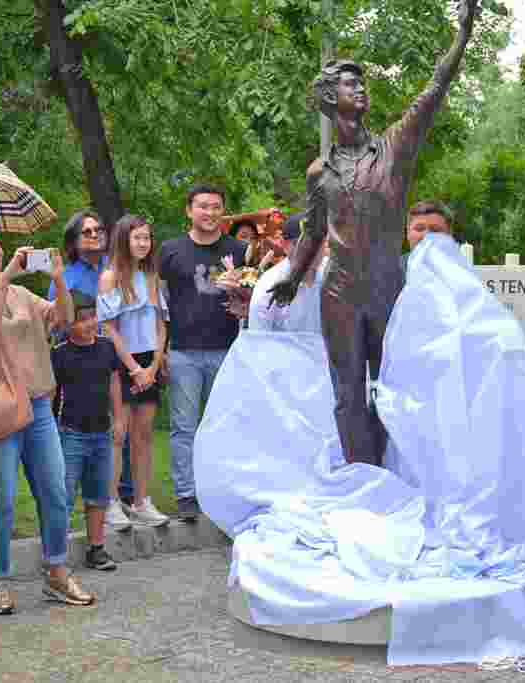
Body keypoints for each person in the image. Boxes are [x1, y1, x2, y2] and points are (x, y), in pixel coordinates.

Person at [269, 0, 480, 467]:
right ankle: (360, 477)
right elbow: (313, 231)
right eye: (350, 83)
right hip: (339, 292)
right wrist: (292, 276)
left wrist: (462, 34)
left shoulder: (393, 148)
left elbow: (434, 90)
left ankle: (388, 473)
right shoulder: (319, 172)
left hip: (386, 287)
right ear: (330, 98)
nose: (360, 88)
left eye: (362, 83)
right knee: (347, 394)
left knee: (390, 388)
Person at [0, 222, 94, 615]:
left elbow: (64, 319)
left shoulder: (22, 294)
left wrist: (58, 279)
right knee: (2, 501)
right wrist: (5, 278)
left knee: (56, 492)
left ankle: (57, 571)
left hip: (39, 406)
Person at [159, 183, 247, 520]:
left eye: (215, 207)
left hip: (228, 349)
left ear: (223, 211)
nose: (209, 213)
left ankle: (220, 490)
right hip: (183, 350)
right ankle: (186, 493)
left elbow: (254, 298)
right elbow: (160, 302)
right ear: (189, 210)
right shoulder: (171, 250)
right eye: (203, 206)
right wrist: (162, 349)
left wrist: (241, 293)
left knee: (224, 425)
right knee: (184, 426)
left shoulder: (239, 250)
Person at [99, 215, 170, 528]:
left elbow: (161, 324)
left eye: (147, 238)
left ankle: (141, 501)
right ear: (124, 240)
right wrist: (134, 368)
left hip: (149, 362)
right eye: (137, 238)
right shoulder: (110, 277)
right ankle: (111, 502)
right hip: (122, 362)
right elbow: (109, 329)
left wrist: (153, 365)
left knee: (144, 434)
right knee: (119, 433)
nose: (143, 243)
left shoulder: (151, 276)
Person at [51, 292, 122, 570]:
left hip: (101, 432)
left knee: (98, 494)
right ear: (68, 323)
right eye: (82, 319)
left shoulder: (106, 347)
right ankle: (56, 556)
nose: (90, 323)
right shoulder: (59, 353)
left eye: (93, 317)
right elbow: (52, 394)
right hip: (71, 433)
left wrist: (118, 419)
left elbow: (114, 382)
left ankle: (96, 548)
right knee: (64, 495)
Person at [247, 213, 325, 333]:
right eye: (299, 244)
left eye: (317, 243)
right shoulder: (268, 285)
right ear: (284, 245)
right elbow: (259, 336)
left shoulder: (338, 278)